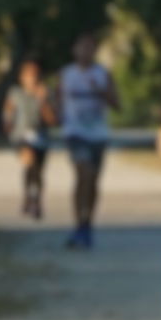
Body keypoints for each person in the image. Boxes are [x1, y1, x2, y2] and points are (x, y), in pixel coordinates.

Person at [55, 32, 119, 250]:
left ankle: (86, 224)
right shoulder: (66, 74)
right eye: (81, 47)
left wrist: (100, 91)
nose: (85, 51)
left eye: (90, 47)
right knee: (84, 173)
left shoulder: (102, 74)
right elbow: (56, 103)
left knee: (92, 182)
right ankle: (78, 223)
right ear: (74, 50)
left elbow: (116, 104)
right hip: (75, 133)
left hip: (98, 134)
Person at [2, 58, 54, 220]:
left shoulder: (45, 92)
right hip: (21, 135)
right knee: (29, 160)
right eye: (29, 75)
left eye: (35, 75)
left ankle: (36, 199)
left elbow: (51, 120)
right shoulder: (16, 93)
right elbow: (8, 111)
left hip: (41, 135)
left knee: (38, 170)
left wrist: (42, 100)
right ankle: (27, 195)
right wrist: (8, 126)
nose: (32, 78)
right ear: (22, 77)